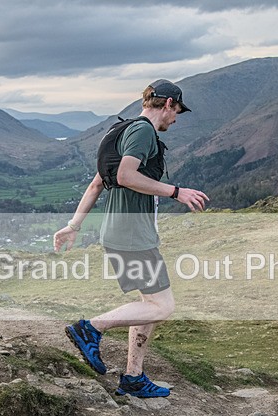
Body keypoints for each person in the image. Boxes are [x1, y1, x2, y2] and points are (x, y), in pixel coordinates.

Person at [53, 80, 209, 398]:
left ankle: (133, 376)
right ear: (167, 104)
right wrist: (176, 191)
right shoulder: (142, 132)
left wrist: (73, 225)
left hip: (123, 232)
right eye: (177, 110)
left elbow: (98, 182)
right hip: (132, 234)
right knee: (163, 307)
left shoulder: (124, 130)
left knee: (148, 303)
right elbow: (124, 176)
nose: (176, 118)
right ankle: (89, 328)